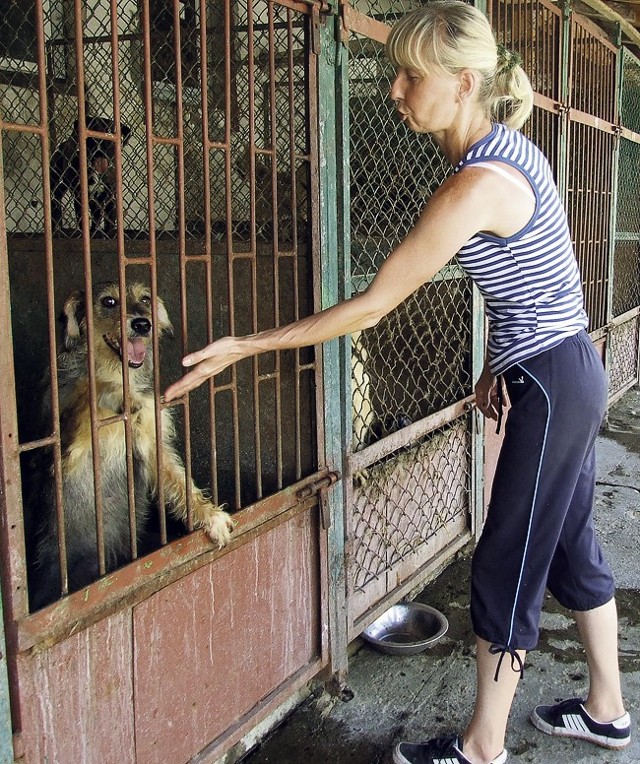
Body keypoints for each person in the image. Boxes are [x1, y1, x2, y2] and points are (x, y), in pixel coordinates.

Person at [164, 2, 630, 762]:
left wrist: (247, 343)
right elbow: (542, 283)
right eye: (397, 74)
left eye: (412, 76)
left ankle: (482, 747)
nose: (395, 91)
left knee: (505, 561)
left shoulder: (472, 186)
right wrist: (494, 363)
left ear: (464, 83)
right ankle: (608, 710)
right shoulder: (514, 149)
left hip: (550, 384)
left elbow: (374, 305)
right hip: (562, 367)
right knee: (571, 542)